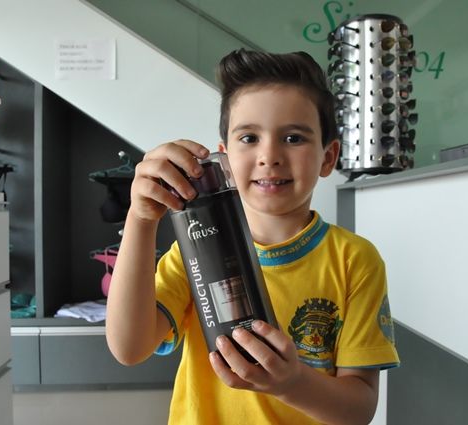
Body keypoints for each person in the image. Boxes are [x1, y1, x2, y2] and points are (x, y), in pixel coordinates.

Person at [106, 48, 400, 425]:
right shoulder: (193, 250)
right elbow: (129, 348)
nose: (269, 156)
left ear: (328, 157)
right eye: (249, 137)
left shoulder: (355, 260)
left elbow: (359, 410)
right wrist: (141, 219)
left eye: (293, 138)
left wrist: (292, 383)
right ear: (224, 157)